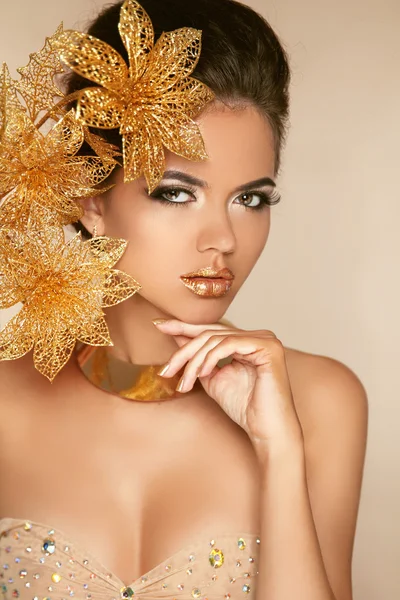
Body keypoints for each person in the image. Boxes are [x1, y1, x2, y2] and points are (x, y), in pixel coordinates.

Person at [0, 1, 368, 599]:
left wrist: (278, 450)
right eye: (175, 193)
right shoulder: (5, 408)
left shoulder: (321, 403)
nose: (223, 239)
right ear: (91, 201)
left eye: (250, 200)